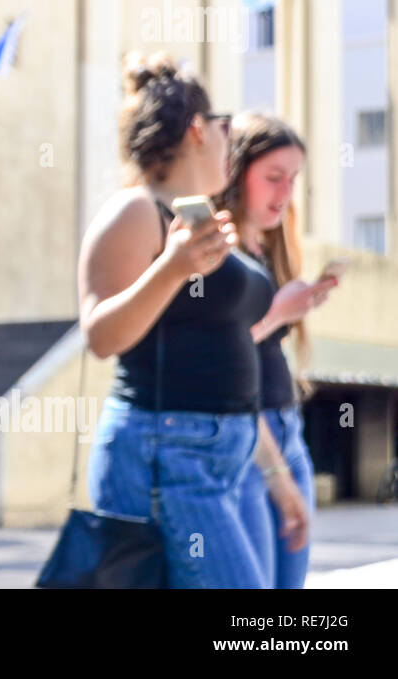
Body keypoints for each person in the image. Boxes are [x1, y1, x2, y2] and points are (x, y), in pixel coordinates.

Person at [79, 51, 306, 588]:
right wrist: (174, 266)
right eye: (229, 128)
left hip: (214, 455)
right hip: (168, 452)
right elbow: (100, 335)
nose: (233, 139)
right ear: (200, 130)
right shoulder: (137, 211)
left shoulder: (198, 217)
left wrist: (277, 476)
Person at [216, 111, 336, 588]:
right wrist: (278, 315)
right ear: (235, 170)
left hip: (289, 432)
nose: (284, 194)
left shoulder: (272, 251)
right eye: (272, 177)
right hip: (249, 436)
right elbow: (214, 355)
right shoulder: (215, 254)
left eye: (293, 180)